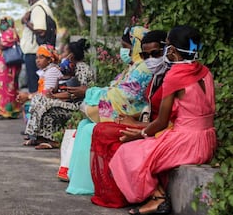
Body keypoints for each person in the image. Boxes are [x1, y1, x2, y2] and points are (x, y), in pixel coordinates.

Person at [110, 25, 217, 215]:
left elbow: (161, 121)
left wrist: (138, 135)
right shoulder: (205, 72)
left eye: (167, 45)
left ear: (173, 51)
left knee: (126, 152)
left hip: (186, 142)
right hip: (207, 141)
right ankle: (157, 198)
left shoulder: (175, 76)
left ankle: (157, 198)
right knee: (144, 149)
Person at [65, 26, 152, 195]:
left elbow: (124, 97)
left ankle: (92, 185)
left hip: (132, 115)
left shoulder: (144, 68)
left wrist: (88, 93)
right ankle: (79, 179)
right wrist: (92, 94)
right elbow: (114, 88)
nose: (124, 51)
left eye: (126, 47)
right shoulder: (134, 66)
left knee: (92, 129)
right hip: (123, 110)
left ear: (136, 46)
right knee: (84, 126)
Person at [90, 30, 169, 208]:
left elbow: (167, 120)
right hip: (149, 123)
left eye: (155, 54)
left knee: (107, 132)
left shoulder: (171, 76)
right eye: (145, 55)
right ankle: (117, 192)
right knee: (103, 129)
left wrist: (137, 126)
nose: (150, 59)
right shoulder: (157, 74)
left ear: (167, 50)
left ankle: (151, 194)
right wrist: (131, 118)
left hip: (161, 130)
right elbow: (149, 106)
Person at [21, 38, 94, 150]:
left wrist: (54, 96)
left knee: (46, 103)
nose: (61, 55)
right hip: (71, 101)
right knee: (39, 99)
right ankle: (37, 136)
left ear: (71, 55)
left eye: (64, 52)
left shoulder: (82, 68)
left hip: (78, 104)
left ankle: (53, 140)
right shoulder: (71, 68)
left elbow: (76, 93)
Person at [20, 0, 55, 93]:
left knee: (34, 86)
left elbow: (41, 30)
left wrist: (26, 22)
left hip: (35, 53)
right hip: (40, 53)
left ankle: (34, 108)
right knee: (39, 85)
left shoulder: (38, 9)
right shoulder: (41, 7)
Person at [0, 17, 22, 120]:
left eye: (3, 22)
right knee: (9, 88)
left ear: (9, 23)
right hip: (5, 68)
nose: (1, 24)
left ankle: (5, 112)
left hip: (6, 68)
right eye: (1, 22)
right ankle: (11, 111)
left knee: (5, 88)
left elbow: (2, 46)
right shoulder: (10, 32)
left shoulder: (10, 32)